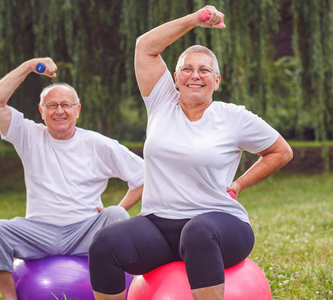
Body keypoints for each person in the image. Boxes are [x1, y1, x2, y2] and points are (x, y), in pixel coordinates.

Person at [88, 5, 293, 300]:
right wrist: (196, 20)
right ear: (175, 77)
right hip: (158, 225)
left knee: (197, 231)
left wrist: (239, 183)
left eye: (204, 70)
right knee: (105, 242)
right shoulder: (160, 103)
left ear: (217, 81)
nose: (194, 75)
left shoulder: (234, 117)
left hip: (219, 225)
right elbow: (145, 47)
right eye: (187, 68)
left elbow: (280, 151)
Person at [0, 57, 145, 300]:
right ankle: (11, 298)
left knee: (116, 216)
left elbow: (143, 177)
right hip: (37, 233)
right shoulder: (28, 135)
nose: (59, 111)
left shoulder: (98, 144)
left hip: (85, 231)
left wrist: (119, 206)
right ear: (41, 112)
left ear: (77, 110)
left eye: (66, 105)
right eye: (51, 105)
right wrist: (28, 67)